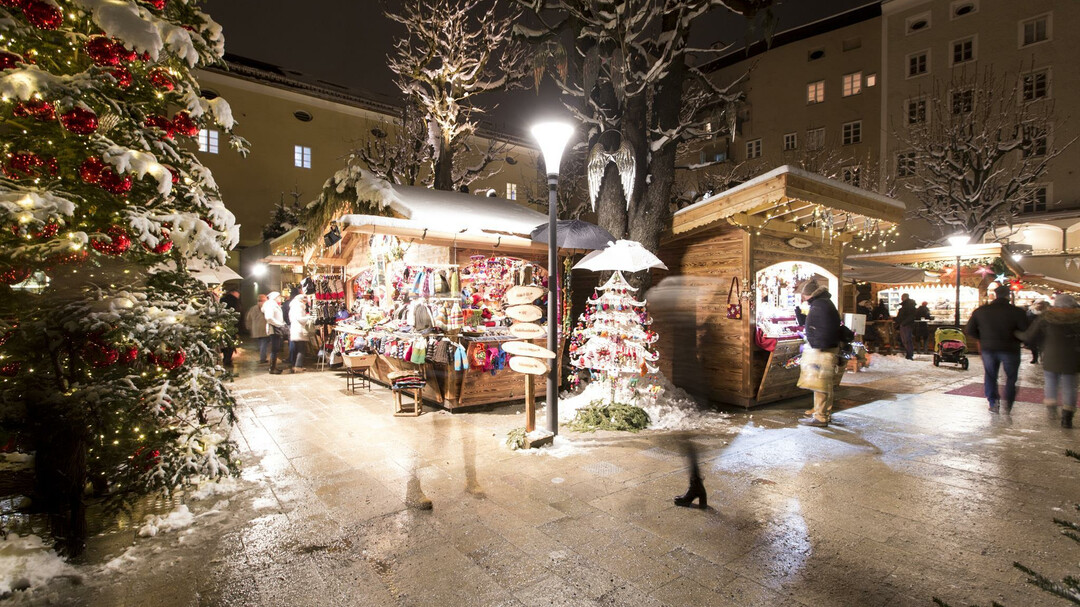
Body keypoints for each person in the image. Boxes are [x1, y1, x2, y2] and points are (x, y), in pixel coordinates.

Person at [1017, 294, 1080, 429]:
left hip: (1052, 356)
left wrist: (1015, 334)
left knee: (1051, 383)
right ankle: (1067, 418)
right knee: (1070, 386)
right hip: (1073, 358)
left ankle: (1051, 409)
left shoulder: (1046, 317)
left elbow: (1029, 335)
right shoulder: (1078, 319)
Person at [965, 284, 1029, 414]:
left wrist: (982, 338)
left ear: (995, 295)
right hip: (1010, 348)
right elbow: (1026, 330)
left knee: (990, 375)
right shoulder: (1017, 312)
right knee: (1011, 377)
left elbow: (969, 330)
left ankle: (993, 401)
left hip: (988, 348)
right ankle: (1008, 403)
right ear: (1008, 296)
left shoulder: (981, 311)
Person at [797, 280, 843, 427]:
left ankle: (820, 417)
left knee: (820, 384)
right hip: (826, 347)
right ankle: (822, 412)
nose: (803, 298)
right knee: (824, 383)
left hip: (823, 349)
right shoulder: (824, 303)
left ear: (808, 294)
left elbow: (823, 328)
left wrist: (817, 345)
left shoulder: (820, 305)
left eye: (803, 295)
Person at [262, 291, 287, 375]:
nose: (280, 298)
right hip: (274, 329)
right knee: (274, 348)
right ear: (275, 297)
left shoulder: (274, 305)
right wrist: (279, 324)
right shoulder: (271, 305)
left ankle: (273, 367)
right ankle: (272, 368)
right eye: (279, 296)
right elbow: (269, 317)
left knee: (275, 348)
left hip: (276, 328)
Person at [286, 294, 311, 373]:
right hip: (299, 329)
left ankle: (293, 365)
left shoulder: (293, 306)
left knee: (295, 348)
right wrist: (308, 317)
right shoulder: (299, 306)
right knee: (301, 349)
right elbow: (300, 318)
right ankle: (298, 366)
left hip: (294, 329)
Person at [219, 289, 241, 368]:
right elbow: (238, 313)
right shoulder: (235, 301)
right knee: (231, 343)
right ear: (233, 293)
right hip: (232, 325)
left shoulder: (222, 299)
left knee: (225, 342)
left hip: (223, 324)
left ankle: (226, 358)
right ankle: (227, 359)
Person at [246, 294, 270, 363]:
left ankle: (262, 356)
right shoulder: (266, 307)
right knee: (264, 344)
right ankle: (263, 358)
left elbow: (248, 318)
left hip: (256, 328)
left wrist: (249, 326)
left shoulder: (253, 308)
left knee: (261, 343)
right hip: (264, 328)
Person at [894, 293, 917, 360]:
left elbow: (904, 316)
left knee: (906, 340)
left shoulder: (907, 306)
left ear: (904, 298)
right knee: (907, 340)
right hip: (907, 324)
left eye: (902, 297)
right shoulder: (911, 305)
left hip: (905, 324)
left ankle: (909, 354)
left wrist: (902, 322)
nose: (901, 298)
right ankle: (909, 354)